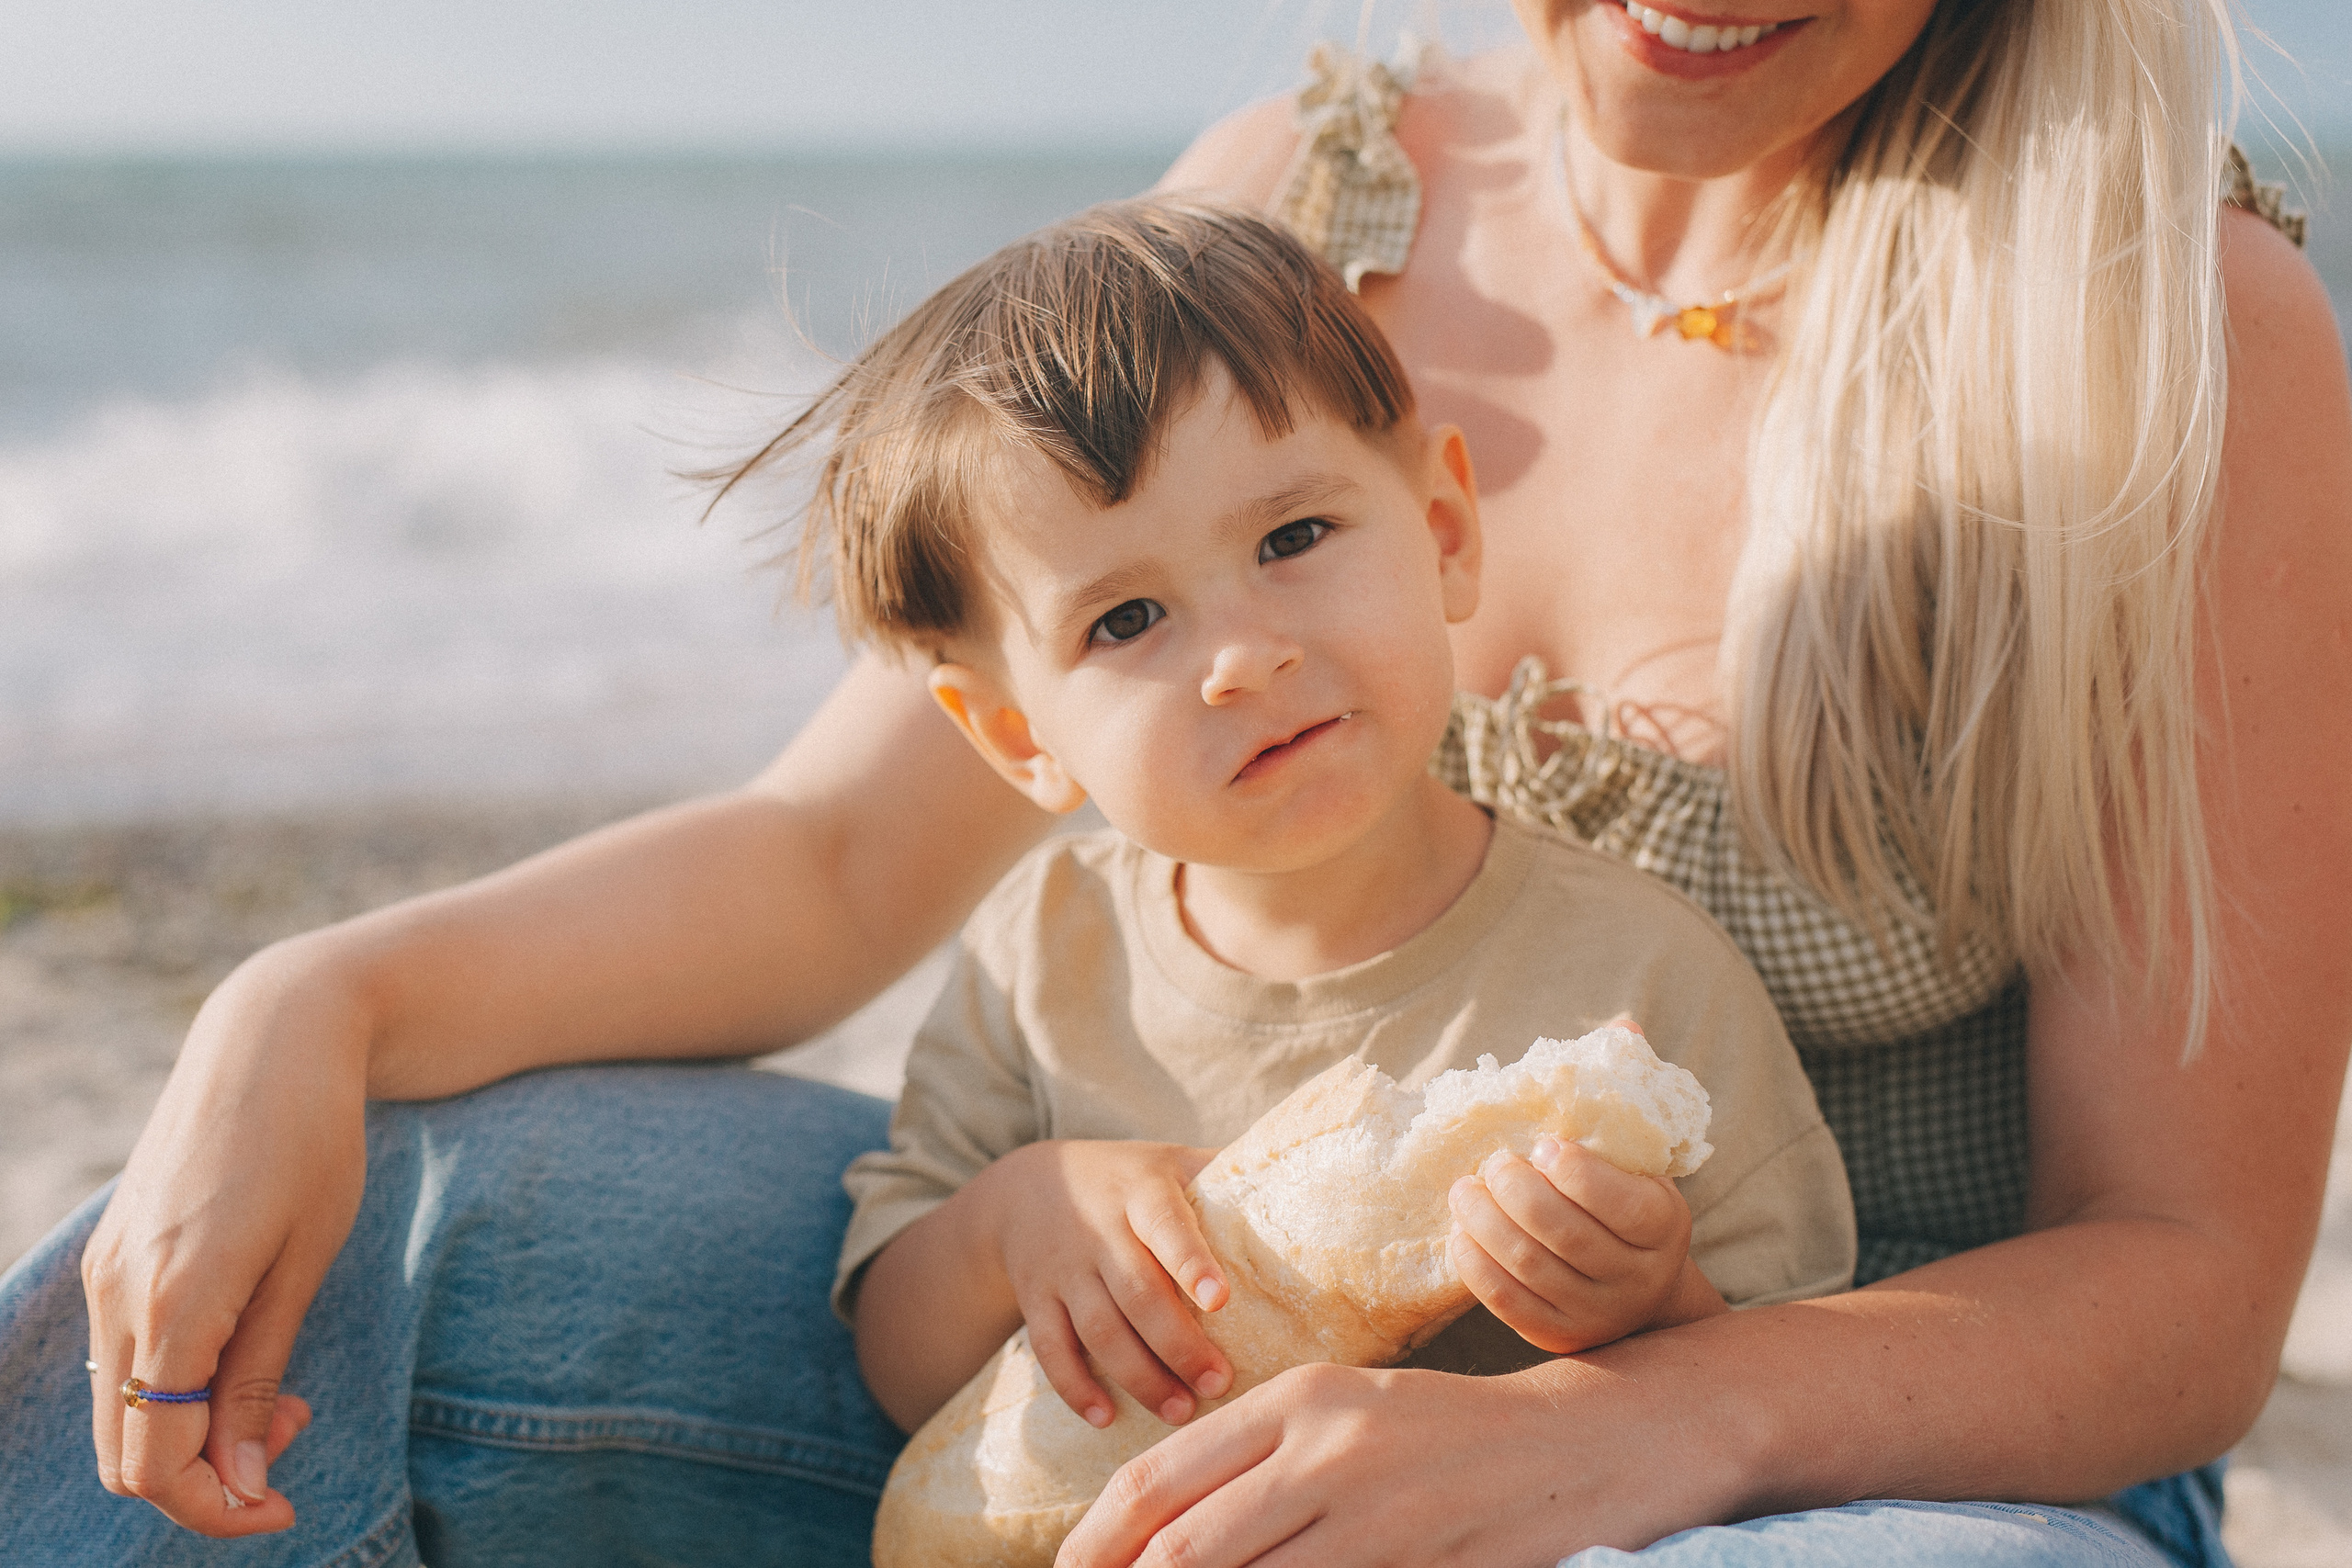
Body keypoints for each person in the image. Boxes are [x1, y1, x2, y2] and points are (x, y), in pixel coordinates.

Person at [1, 0, 2345, 1562]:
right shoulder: (1299, 208)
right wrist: (307, 1001)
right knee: (354, 1233)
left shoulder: (2155, 329)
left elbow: (2180, 1282)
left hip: (1857, 1464)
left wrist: (1611, 1429)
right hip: (1160, 1377)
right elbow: (830, 861)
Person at [772, 197, 1850, 1438]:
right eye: (1125, 620)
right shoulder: (1044, 960)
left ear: (1442, 530)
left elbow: (1804, 1397)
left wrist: (1655, 1298)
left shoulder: (1640, 979)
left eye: (1294, 536)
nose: (1244, 656)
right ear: (1019, 735)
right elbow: (903, 1377)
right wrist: (1011, 1223)